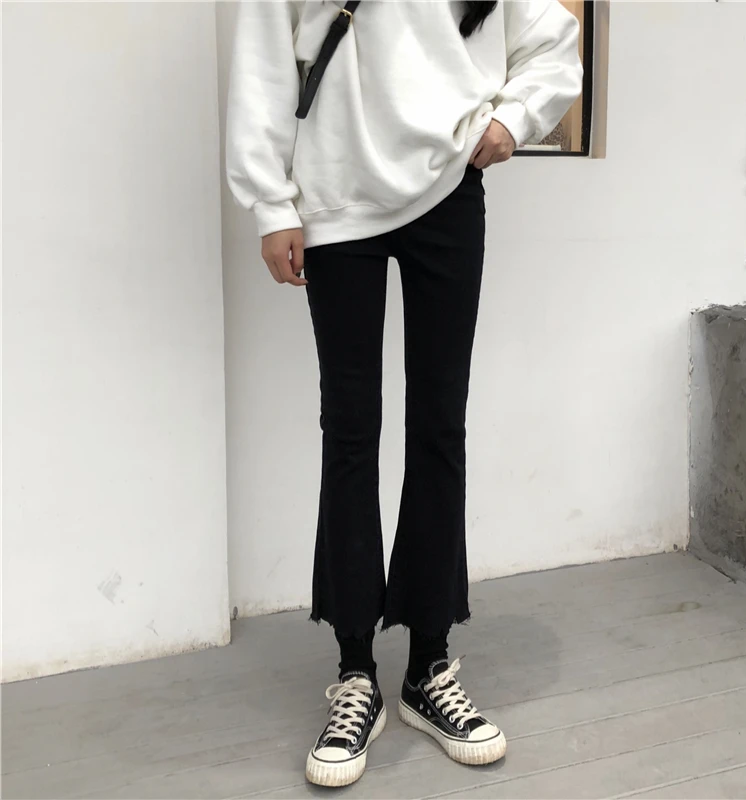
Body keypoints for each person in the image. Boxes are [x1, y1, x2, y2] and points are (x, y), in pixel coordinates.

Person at [227, 0, 582, 786]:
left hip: (447, 189)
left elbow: (552, 37)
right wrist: (270, 203)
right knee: (350, 430)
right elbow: (262, 59)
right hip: (335, 198)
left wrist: (516, 117)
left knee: (439, 428)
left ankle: (428, 665)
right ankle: (355, 670)